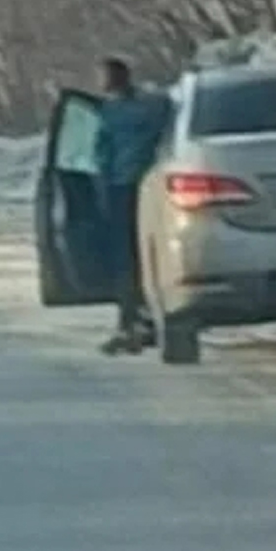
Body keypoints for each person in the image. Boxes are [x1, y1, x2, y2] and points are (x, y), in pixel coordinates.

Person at [93, 55, 172, 355]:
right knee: (150, 254)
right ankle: (146, 317)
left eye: (104, 77)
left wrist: (100, 187)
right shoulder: (156, 105)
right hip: (154, 186)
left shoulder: (109, 113)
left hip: (122, 189)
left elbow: (101, 155)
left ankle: (130, 321)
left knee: (126, 259)